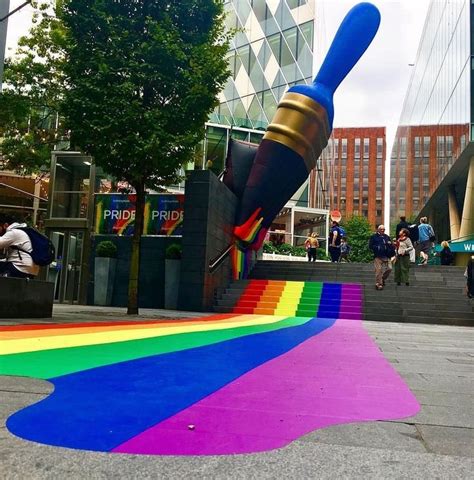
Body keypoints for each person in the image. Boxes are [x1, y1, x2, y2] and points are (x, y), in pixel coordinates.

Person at [0, 213, 39, 279]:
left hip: (20, 267)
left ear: (5, 225)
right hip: (31, 270)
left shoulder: (14, 232)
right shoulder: (23, 231)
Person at [369, 224, 395, 290]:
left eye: (384, 229)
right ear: (378, 229)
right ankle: (379, 284)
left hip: (387, 255)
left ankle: (382, 278)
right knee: (379, 270)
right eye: (381, 229)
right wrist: (377, 247)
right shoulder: (374, 237)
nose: (382, 230)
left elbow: (391, 245)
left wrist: (391, 249)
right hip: (378, 256)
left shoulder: (387, 237)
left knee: (390, 268)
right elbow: (370, 246)